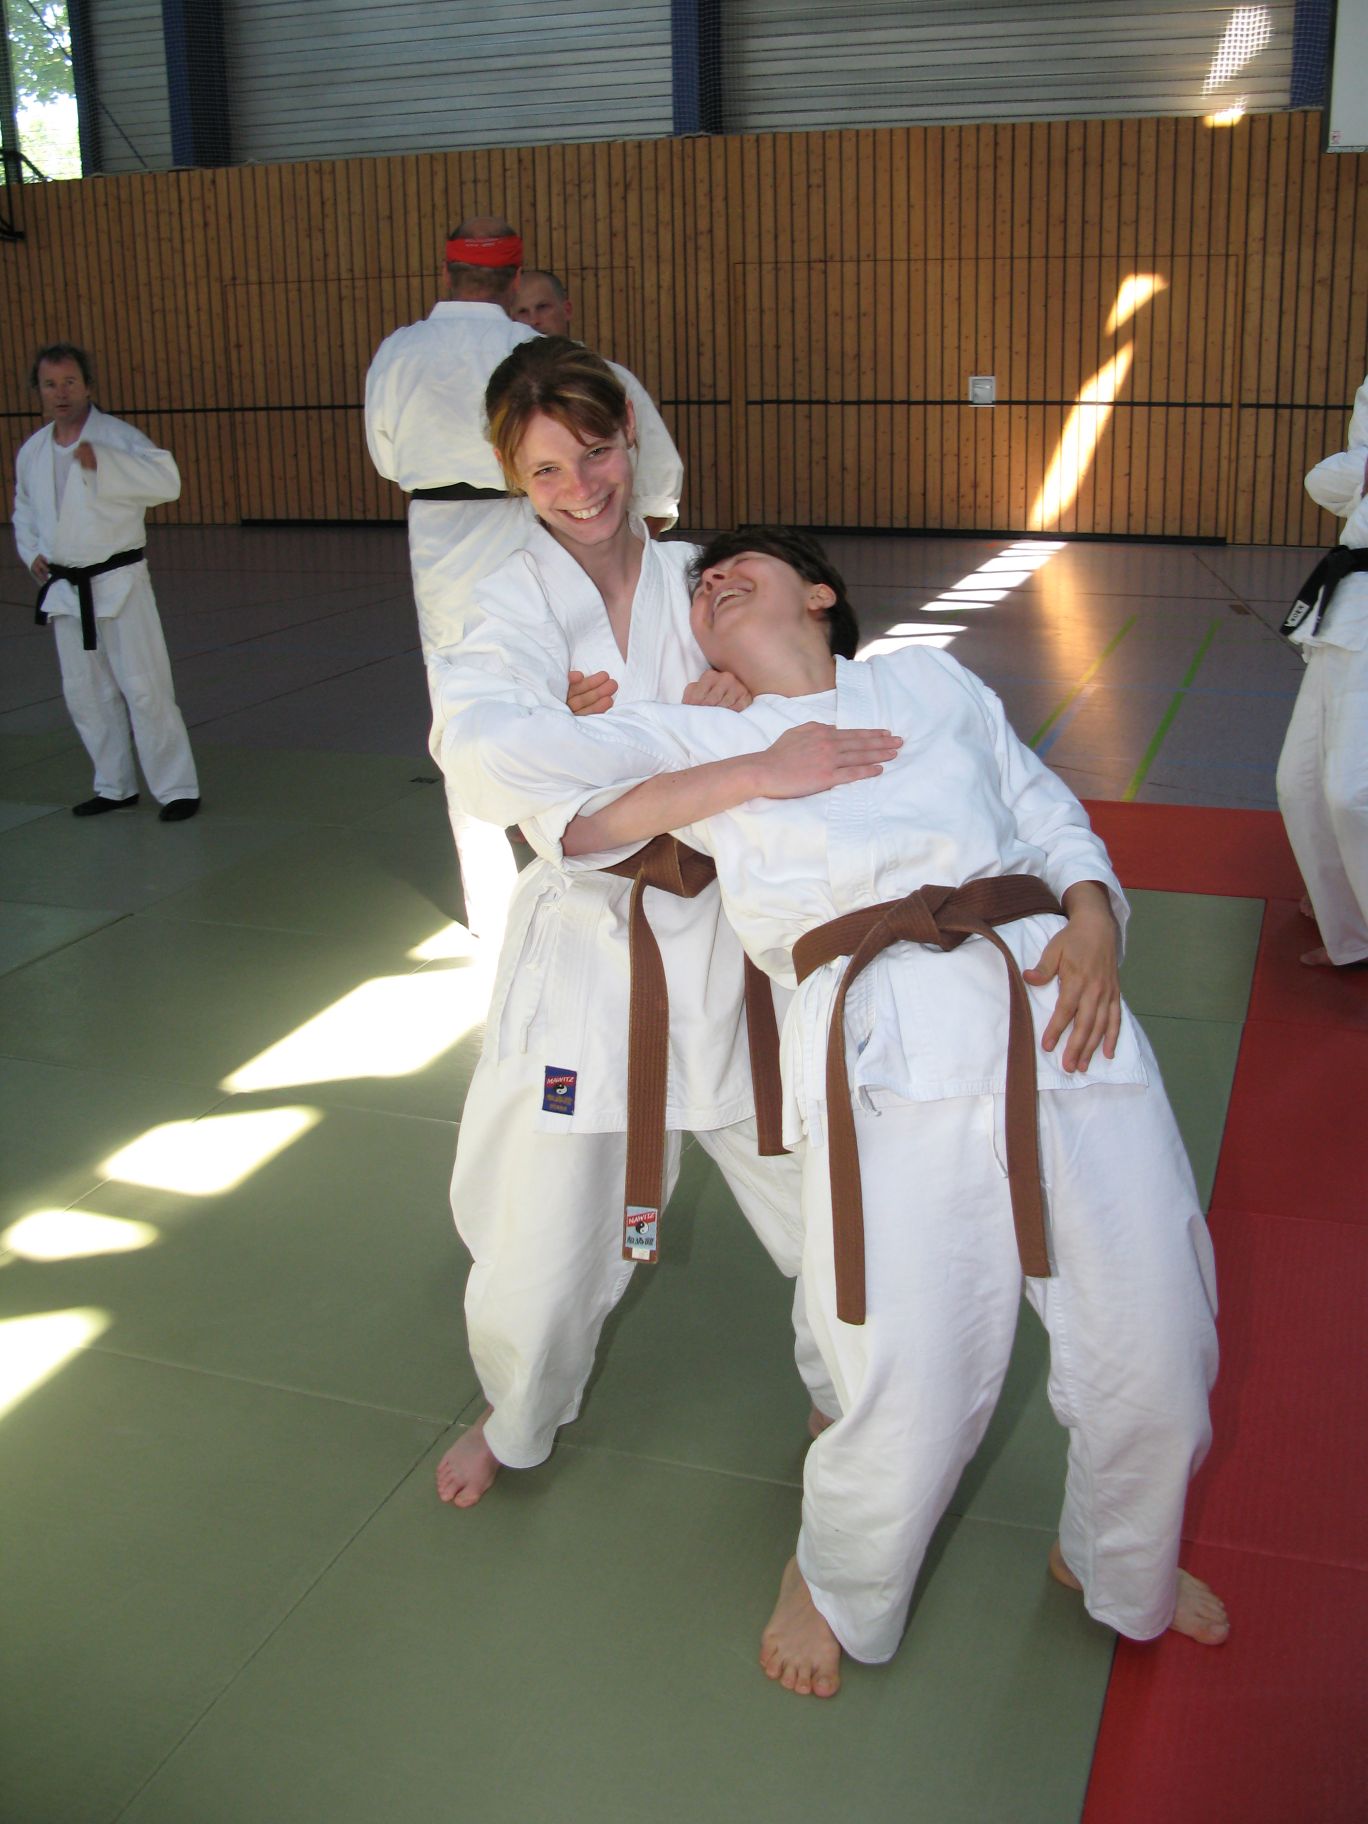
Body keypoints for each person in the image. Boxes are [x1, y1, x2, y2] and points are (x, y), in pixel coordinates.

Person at [446, 526, 1228, 1696]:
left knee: (1160, 1343)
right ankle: (835, 1577)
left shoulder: (929, 681)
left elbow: (1044, 805)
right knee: (905, 1367)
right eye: (702, 588)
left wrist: (1094, 914)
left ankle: (1115, 1558)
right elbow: (565, 817)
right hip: (881, 1045)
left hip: (1055, 1006)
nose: (714, 582)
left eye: (742, 568)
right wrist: (750, 767)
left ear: (820, 594)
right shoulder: (702, 735)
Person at [429, 346, 864, 1507]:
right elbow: (483, 761)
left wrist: (626, 742)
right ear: (513, 477)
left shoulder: (703, 579)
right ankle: (517, 1416)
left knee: (834, 1205)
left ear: (631, 431)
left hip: (733, 949)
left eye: (596, 452)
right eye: (546, 470)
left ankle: (850, 1393)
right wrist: (701, 740)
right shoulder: (509, 605)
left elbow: (820, 698)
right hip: (593, 964)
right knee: (542, 1245)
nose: (580, 489)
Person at [363, 214, 539, 940]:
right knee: (547, 693)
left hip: (438, 535)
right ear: (514, 279)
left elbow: (384, 456)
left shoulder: (400, 350)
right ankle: (569, 877)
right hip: (531, 526)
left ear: (447, 273)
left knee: (462, 708)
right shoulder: (533, 351)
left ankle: (492, 910)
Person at [12, 343, 199, 822]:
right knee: (86, 694)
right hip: (66, 589)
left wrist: (108, 464)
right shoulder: (33, 451)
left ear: (88, 386)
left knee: (145, 688)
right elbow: (24, 509)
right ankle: (114, 786)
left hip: (120, 582)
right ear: (38, 391)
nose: (60, 393)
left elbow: (168, 483)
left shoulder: (118, 438)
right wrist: (33, 552)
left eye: (69, 382)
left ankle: (177, 788)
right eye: (50, 384)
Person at [1275, 373, 1368, 967]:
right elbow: (1326, 480)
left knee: (1352, 793)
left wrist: (1355, 477)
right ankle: (1349, 930)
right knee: (1300, 785)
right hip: (1345, 610)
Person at [511, 266, 684, 540]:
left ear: (566, 309)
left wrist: (626, 550)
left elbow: (659, 480)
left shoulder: (612, 378)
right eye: (522, 312)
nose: (534, 320)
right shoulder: (509, 393)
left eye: (543, 307)